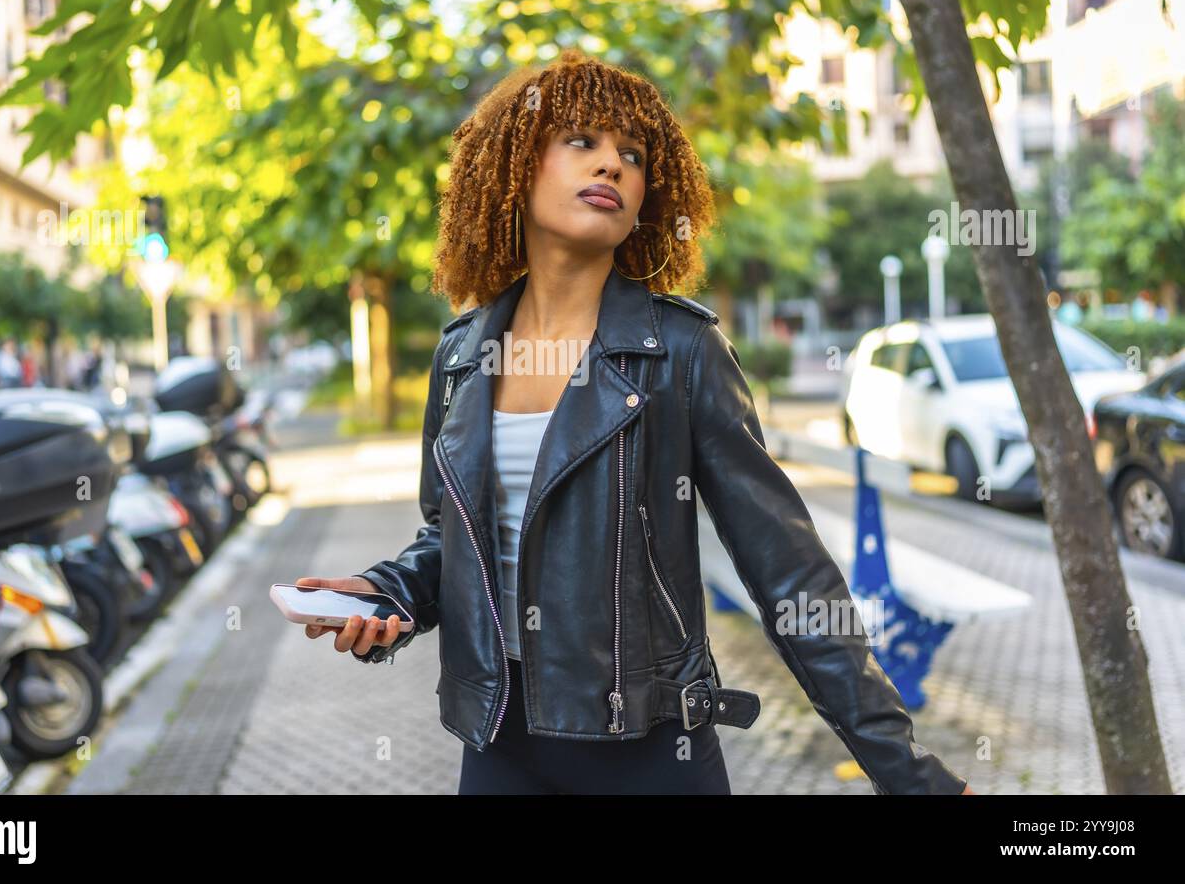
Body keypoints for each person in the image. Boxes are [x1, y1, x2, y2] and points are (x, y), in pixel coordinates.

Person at [296, 49, 973, 796]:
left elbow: (791, 576)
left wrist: (909, 776)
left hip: (652, 755)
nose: (612, 166)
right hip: (495, 744)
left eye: (632, 155)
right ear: (519, 166)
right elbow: (448, 541)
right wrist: (385, 594)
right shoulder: (462, 354)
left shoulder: (681, 352)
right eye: (582, 142)